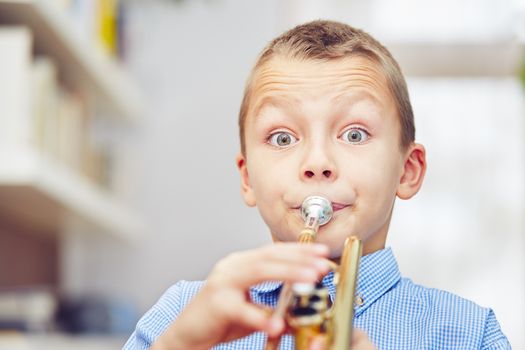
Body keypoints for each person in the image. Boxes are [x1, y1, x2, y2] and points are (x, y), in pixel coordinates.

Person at [124, 20, 511, 349]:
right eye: (282, 138)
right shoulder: (182, 313)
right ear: (247, 179)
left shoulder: (468, 333)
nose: (317, 164)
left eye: (355, 134)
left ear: (408, 170)